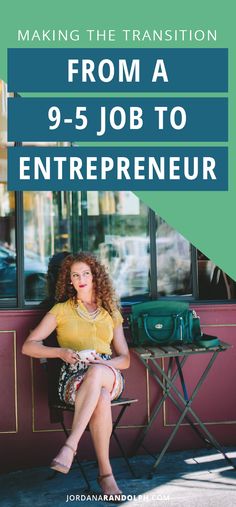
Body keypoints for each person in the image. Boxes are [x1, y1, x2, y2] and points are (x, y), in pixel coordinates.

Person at [22, 251, 130, 497]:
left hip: (109, 373)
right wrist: (61, 352)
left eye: (86, 274)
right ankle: (106, 476)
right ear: (69, 280)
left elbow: (125, 359)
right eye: (75, 275)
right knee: (100, 398)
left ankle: (70, 446)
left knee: (98, 371)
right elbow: (28, 346)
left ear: (95, 277)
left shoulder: (110, 311)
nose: (81, 279)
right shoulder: (61, 310)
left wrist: (105, 362)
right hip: (73, 379)